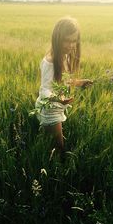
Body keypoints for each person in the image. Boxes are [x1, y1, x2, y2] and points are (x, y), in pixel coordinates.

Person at [35, 17, 93, 162]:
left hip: (57, 106)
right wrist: (59, 99)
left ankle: (43, 146)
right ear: (57, 39)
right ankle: (57, 170)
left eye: (74, 41)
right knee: (59, 147)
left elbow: (64, 80)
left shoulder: (65, 56)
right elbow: (44, 91)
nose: (71, 45)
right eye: (67, 40)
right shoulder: (49, 62)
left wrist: (80, 82)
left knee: (49, 140)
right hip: (50, 109)